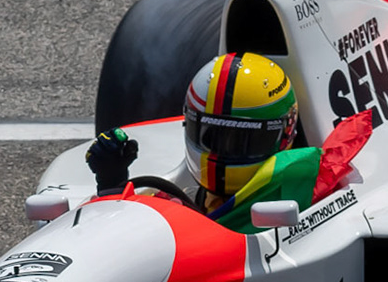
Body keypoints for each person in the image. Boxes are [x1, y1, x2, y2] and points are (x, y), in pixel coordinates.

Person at [86, 52, 371, 233]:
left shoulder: (313, 187)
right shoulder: (166, 199)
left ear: (285, 133)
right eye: (211, 135)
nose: (222, 153)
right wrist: (111, 189)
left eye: (243, 140)